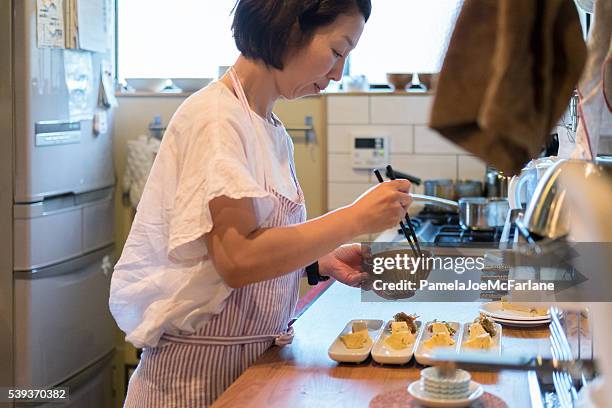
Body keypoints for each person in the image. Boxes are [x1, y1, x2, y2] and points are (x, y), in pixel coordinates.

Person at [110, 0, 412, 406]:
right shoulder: (217, 118)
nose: (338, 74)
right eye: (338, 51)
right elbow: (237, 261)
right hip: (194, 380)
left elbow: (242, 245)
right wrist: (355, 217)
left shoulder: (267, 126)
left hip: (247, 365)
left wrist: (317, 260)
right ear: (290, 29)